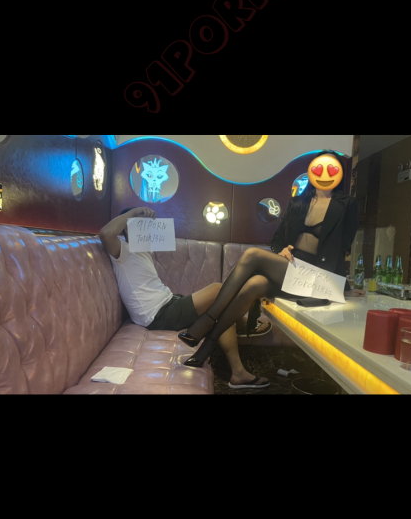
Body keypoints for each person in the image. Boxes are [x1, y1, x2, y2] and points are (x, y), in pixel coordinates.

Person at [180, 150, 365, 369]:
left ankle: (206, 321)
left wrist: (340, 287)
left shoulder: (347, 204)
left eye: (332, 169)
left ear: (339, 173)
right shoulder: (298, 203)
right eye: (319, 168)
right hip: (293, 270)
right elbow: (277, 240)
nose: (325, 174)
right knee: (254, 284)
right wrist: (282, 251)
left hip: (319, 278)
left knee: (252, 255)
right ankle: (207, 347)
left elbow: (343, 248)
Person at [99, 207, 271, 390]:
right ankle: (243, 327)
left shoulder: (142, 250)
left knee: (222, 308)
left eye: (146, 225)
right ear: (126, 228)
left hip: (169, 301)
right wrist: (132, 214)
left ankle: (238, 372)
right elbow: (105, 234)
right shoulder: (121, 251)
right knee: (218, 290)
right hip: (157, 315)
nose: (145, 228)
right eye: (138, 224)